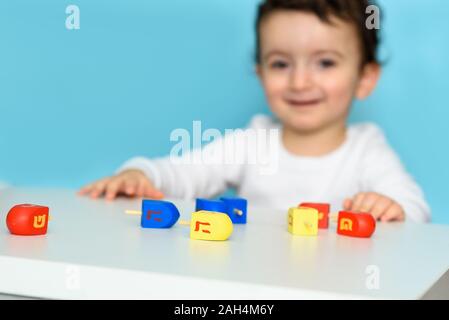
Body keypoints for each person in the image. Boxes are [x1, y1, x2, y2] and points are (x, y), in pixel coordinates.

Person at [79, 0, 430, 223]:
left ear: (365, 78)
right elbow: (183, 173)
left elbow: (413, 209)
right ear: (260, 73)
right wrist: (140, 174)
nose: (300, 81)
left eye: (325, 63)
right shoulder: (253, 141)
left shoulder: (366, 150)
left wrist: (390, 208)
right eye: (280, 64)